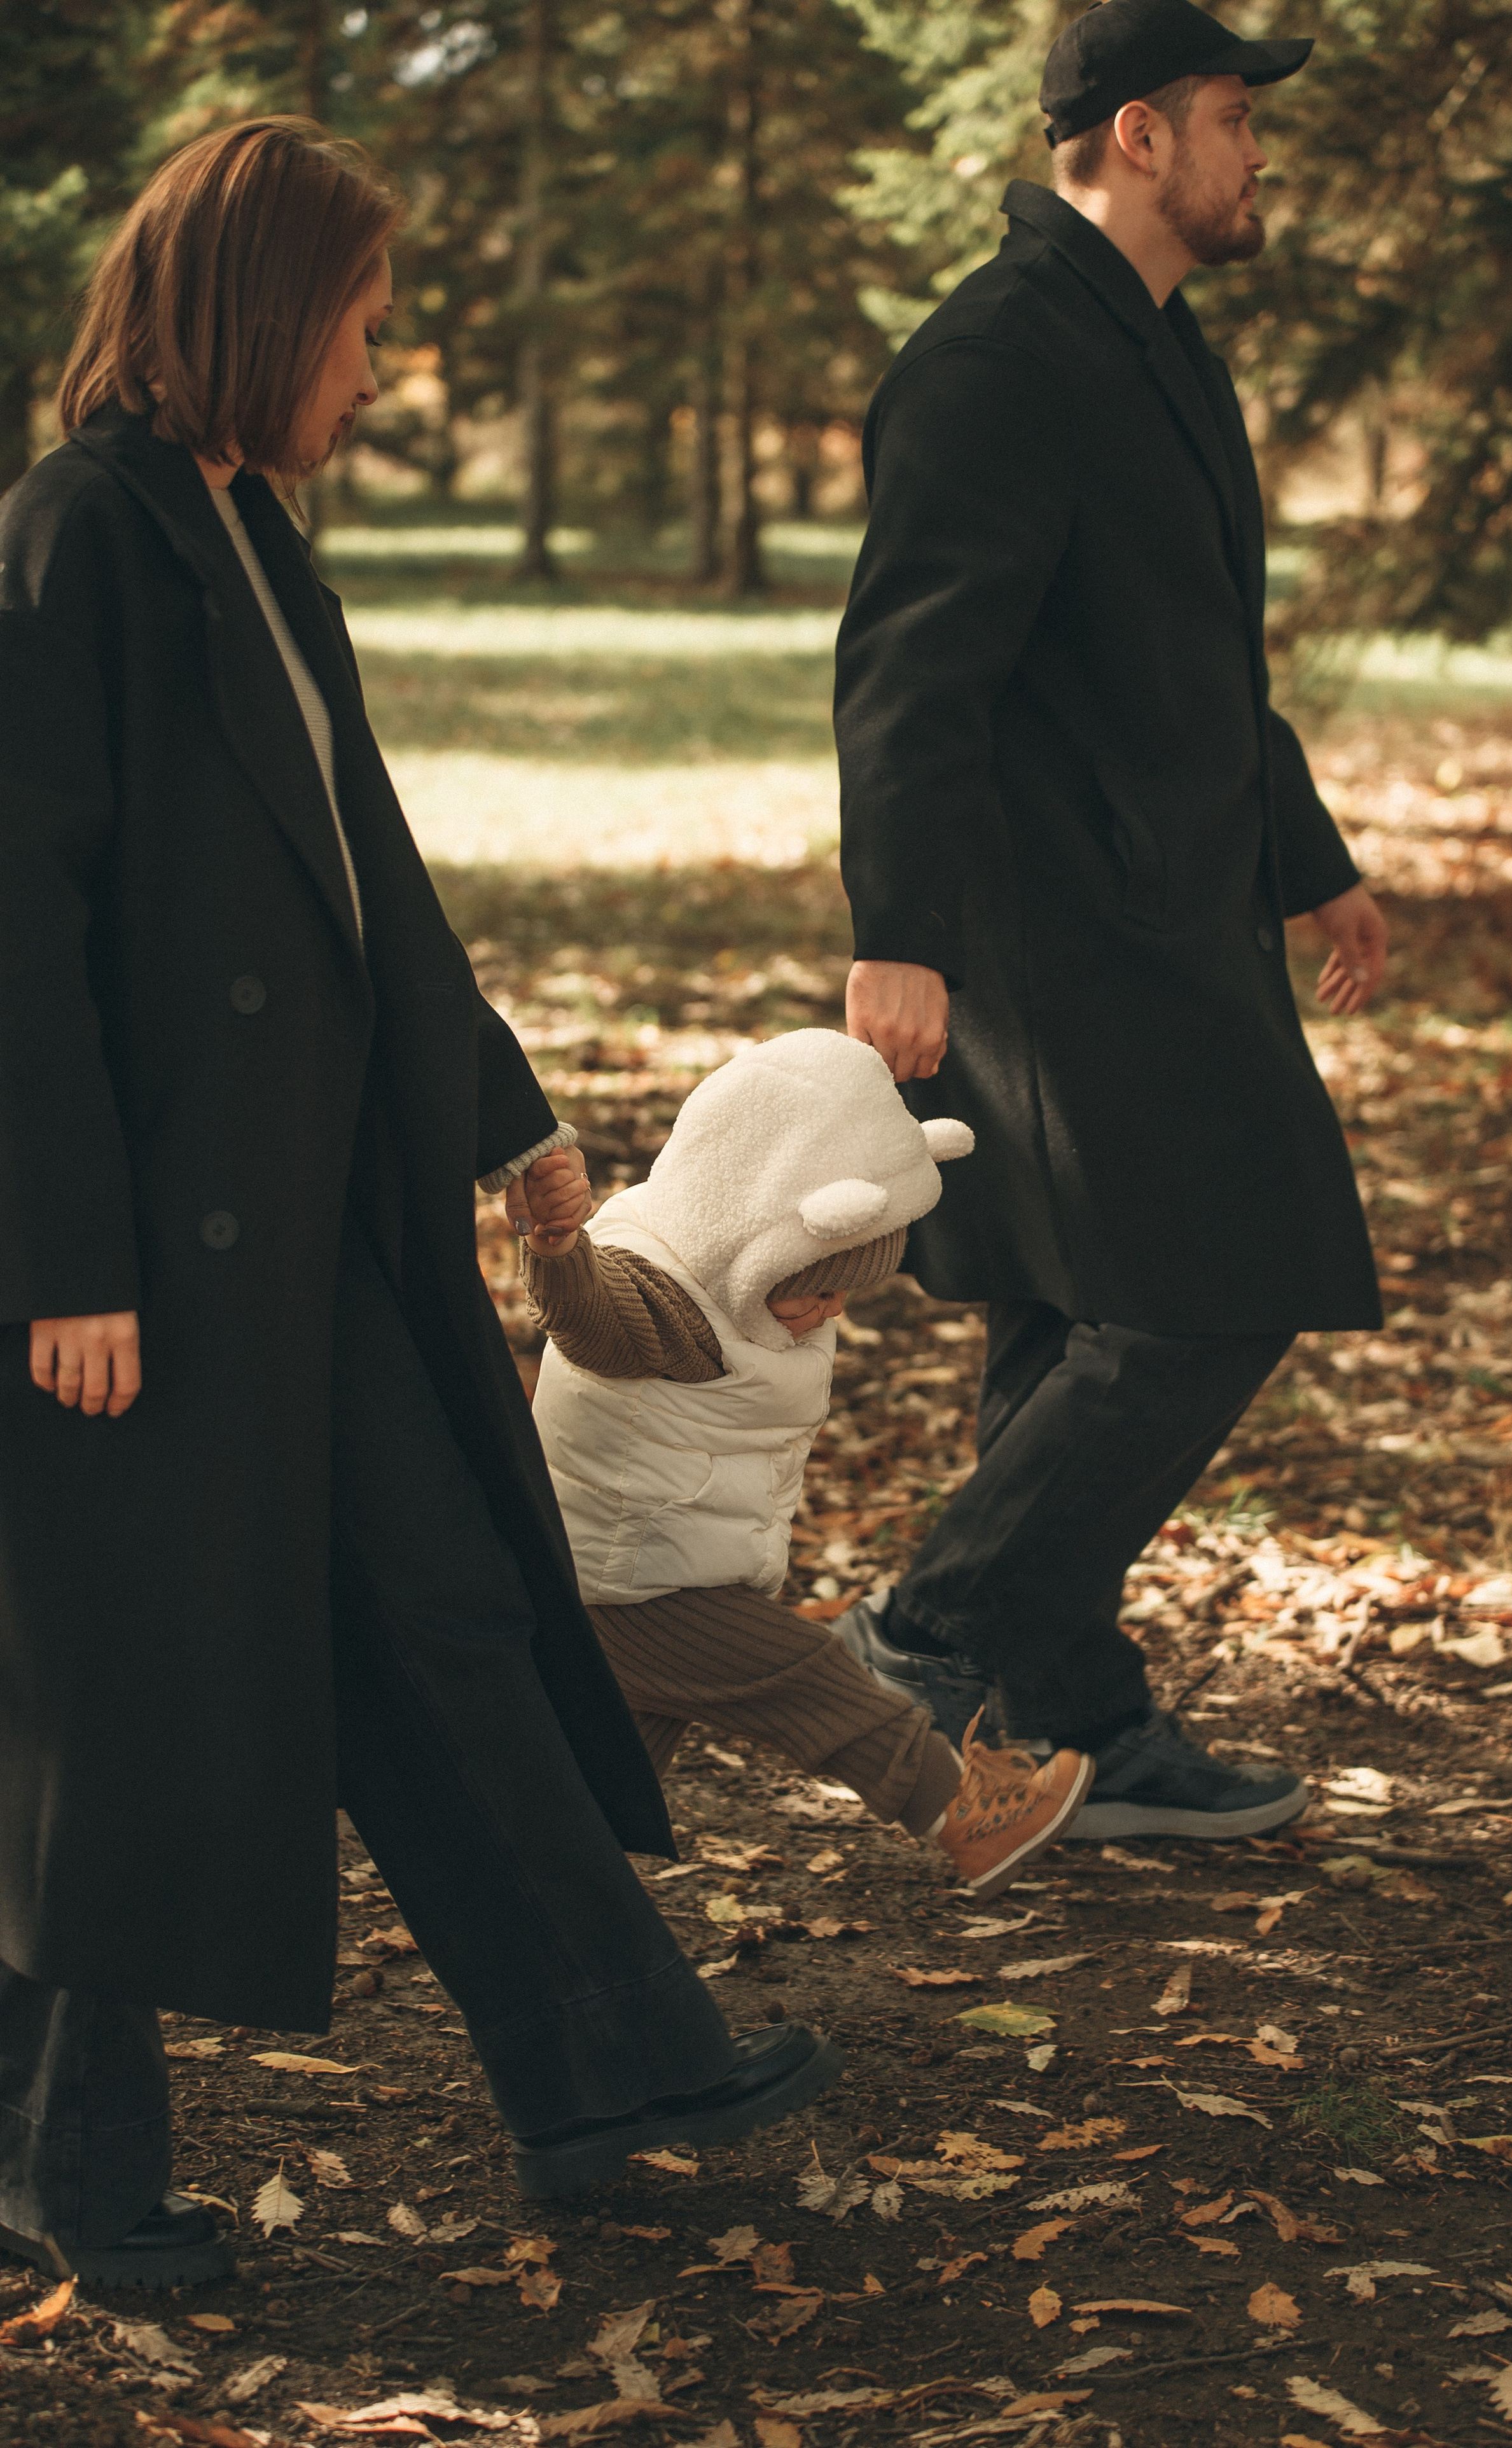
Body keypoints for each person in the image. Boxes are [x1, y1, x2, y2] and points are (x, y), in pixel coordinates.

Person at [0, 118, 838, 2288]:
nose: (377, 369)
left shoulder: (259, 533)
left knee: (450, 1616)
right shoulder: (83, 535)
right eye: (362, 324)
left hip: (313, 1233)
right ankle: (73, 2174)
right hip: (146, 1270)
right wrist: (63, 1251)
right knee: (120, 1699)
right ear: (264, 309)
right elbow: (17, 917)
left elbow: (366, 869)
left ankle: (612, 2065)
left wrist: (503, 1109)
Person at [832, 0, 1387, 1840]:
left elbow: (1196, 654)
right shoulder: (999, 356)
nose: (1258, 157)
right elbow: (911, 671)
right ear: (1139, 136)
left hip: (1169, 904)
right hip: (1061, 946)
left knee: (1065, 1319)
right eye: (1236, 119)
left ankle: (1072, 1726)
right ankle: (932, 1624)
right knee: (1212, 1287)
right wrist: (898, 932)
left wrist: (1306, 850)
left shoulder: (1147, 342)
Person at [520, 1030, 1093, 1902]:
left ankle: (544, 1889)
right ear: (758, 1238)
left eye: (842, 1293)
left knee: (605, 1765)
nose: (825, 1311)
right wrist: (560, 1248)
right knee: (811, 1677)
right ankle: (968, 1816)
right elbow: (592, 1317)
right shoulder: (663, 1296)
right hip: (636, 1575)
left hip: (651, 1558)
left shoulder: (731, 1278)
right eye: (812, 1286)